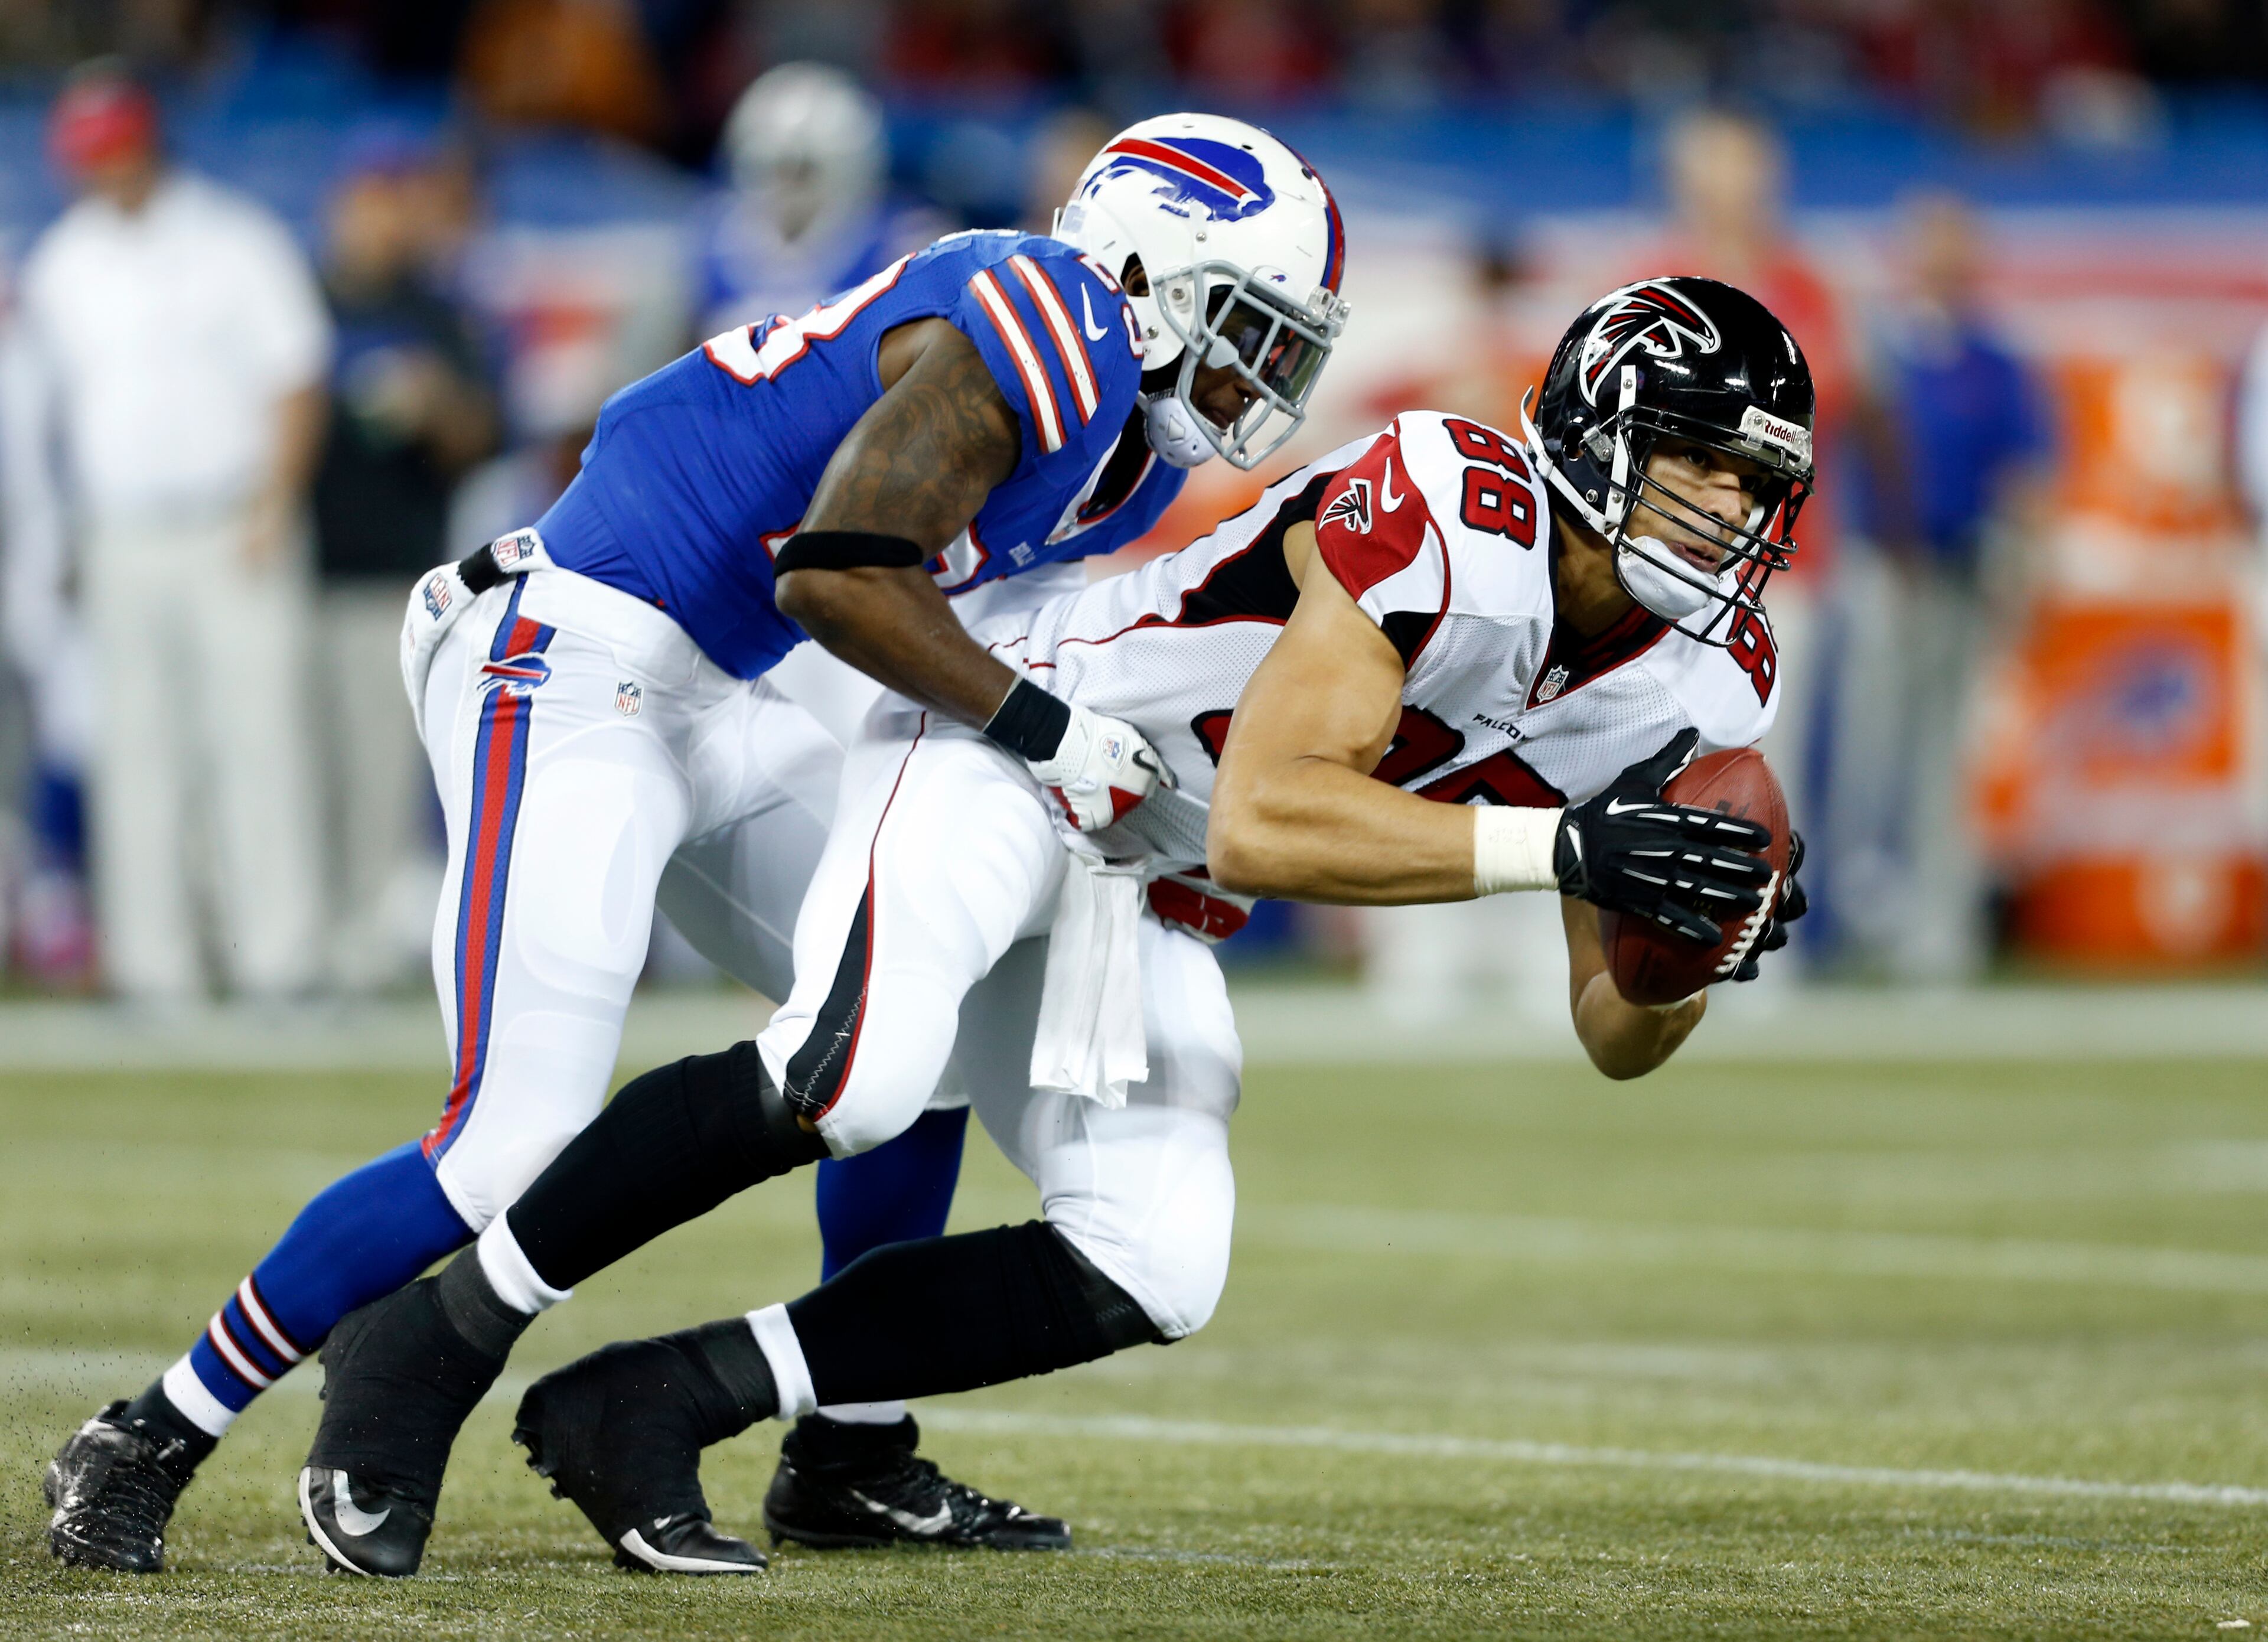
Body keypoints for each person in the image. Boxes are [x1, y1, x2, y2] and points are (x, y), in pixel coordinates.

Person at [288, 275, 1807, 1578]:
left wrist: (1693, 947)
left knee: (1160, 1257)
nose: (1733, 511)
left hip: (1145, 864)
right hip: (1023, 746)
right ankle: (435, 1340)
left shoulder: (1708, 673)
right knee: (860, 1075)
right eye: (1704, 467)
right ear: (1600, 440)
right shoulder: (1453, 505)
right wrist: (1570, 846)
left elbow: (1611, 1035)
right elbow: (1275, 814)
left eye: (1758, 484)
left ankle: (664, 1398)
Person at [44, 112, 1348, 1576]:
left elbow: (907, 633)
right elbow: (843, 576)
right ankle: (152, 1427)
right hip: (567, 645)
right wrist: (1054, 738)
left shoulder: (1130, 454)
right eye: (1248, 326)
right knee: (509, 1138)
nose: (1260, 375)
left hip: (724, 688)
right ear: (1148, 264)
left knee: (891, 1027)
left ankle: (851, 1448)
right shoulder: (1051, 317)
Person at [6, 63, 331, 1006]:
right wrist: (57, 536)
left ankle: (280, 960)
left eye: (108, 150)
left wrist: (275, 498)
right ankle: (156, 971)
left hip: (234, 518)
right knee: (137, 755)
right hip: (117, 530)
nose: (96, 171)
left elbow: (297, 376)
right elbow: (46, 417)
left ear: (144, 140)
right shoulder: (63, 262)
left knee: (258, 742)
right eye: (83, 156)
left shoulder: (234, 241)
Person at [1839, 192, 2047, 980]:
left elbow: (2027, 470)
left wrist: (2021, 564)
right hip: (1882, 570)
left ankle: (1936, 925)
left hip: (1961, 568)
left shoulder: (1994, 359)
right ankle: (1840, 917)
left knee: (1945, 755)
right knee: (1867, 747)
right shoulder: (1879, 349)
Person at [312, 132, 501, 992]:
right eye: (368, 200)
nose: (379, 220)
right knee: (290, 770)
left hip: (396, 573)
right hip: (291, 572)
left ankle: (365, 952)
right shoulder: (298, 300)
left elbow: (482, 440)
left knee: (379, 781)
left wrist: (436, 404)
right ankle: (294, 944)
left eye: (395, 201)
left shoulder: (436, 312)